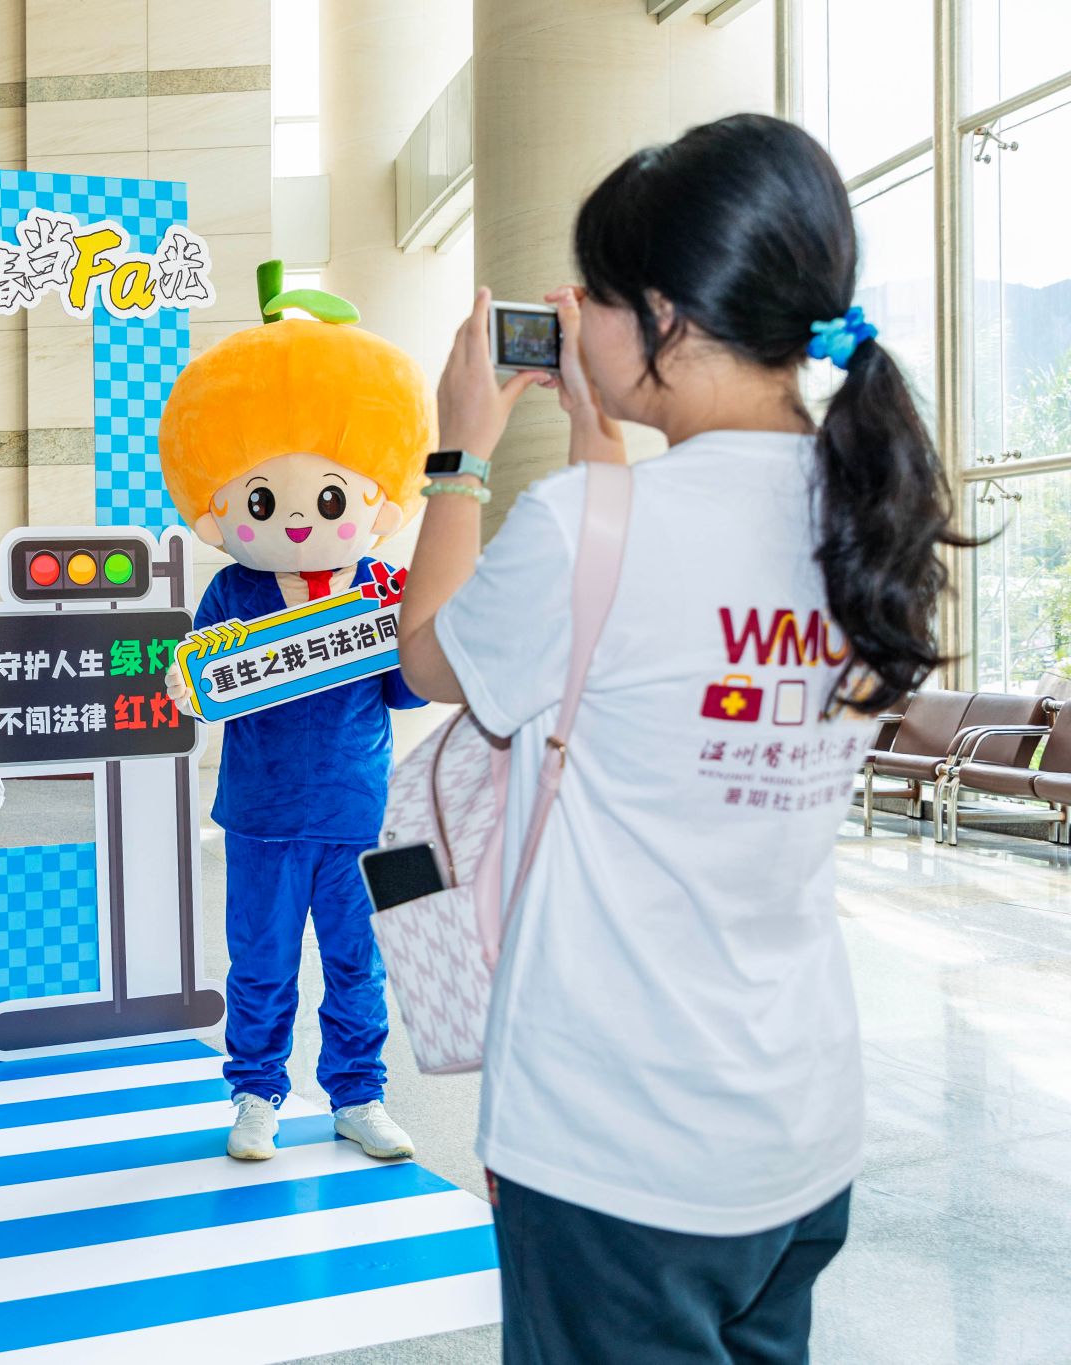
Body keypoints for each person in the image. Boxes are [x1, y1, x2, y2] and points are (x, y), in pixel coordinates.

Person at [394, 114, 958, 1365]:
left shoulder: (579, 528)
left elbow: (427, 657)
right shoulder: (874, 513)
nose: (576, 321)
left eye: (593, 296)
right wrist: (600, 441)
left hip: (615, 1144)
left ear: (662, 316)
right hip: (793, 1127)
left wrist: (456, 452)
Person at [157, 262, 433, 1166]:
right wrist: (184, 683)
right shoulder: (233, 590)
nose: (305, 519)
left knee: (360, 959)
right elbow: (207, 679)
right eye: (268, 500)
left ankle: (359, 1093)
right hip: (262, 812)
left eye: (330, 497)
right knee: (262, 959)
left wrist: (420, 647)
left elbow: (405, 690)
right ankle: (256, 1092)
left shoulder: (381, 584)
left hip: (360, 808)